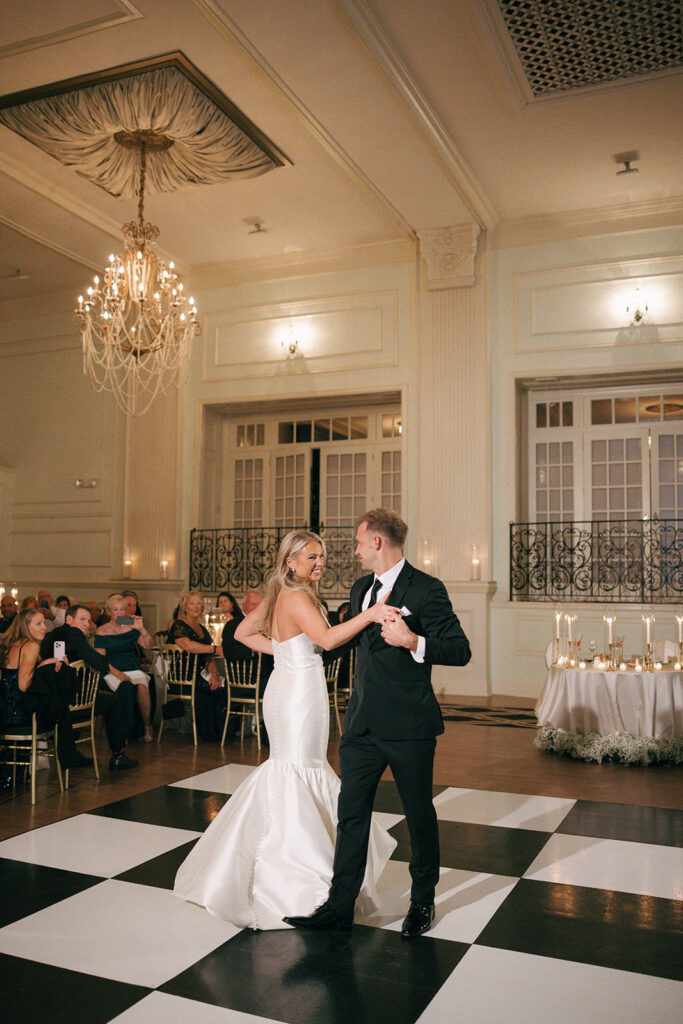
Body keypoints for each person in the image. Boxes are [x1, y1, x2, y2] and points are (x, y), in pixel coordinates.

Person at [173, 530, 398, 930]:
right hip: (300, 692)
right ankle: (301, 878)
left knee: (290, 766)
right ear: (290, 562)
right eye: (311, 557)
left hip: (284, 685)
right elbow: (327, 640)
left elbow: (241, 634)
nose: (319, 562)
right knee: (300, 767)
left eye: (321, 556)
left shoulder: (281, 595)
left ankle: (289, 864)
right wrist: (369, 614)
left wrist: (284, 651)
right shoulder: (295, 596)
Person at [285, 508, 471, 939]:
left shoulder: (426, 588)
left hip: (410, 727)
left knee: (419, 816)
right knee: (351, 817)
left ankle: (422, 901)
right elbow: (342, 644)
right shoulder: (359, 589)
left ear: (376, 543)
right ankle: (338, 906)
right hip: (361, 727)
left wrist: (412, 640)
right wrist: (290, 644)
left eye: (356, 542)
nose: (353, 551)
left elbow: (460, 649)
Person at [40, 605, 138, 771]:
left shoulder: (54, 636)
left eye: (88, 620)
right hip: (69, 704)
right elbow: (92, 658)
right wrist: (114, 671)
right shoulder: (74, 632)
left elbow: (59, 661)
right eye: (82, 619)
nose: (86, 623)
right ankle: (118, 755)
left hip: (50, 702)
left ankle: (73, 753)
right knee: (112, 701)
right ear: (69, 620)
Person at [0, 608, 91, 770]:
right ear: (25, 626)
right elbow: (23, 685)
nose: (44, 627)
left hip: (4, 710)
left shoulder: (14, 644)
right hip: (18, 715)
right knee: (57, 707)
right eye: (38, 623)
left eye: (44, 622)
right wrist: (43, 665)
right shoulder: (30, 646)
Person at [167, 591, 225, 742]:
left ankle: (222, 733)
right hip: (182, 677)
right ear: (184, 607)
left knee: (221, 687)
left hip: (199, 675)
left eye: (199, 603)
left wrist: (214, 674)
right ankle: (210, 734)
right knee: (207, 690)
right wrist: (214, 648)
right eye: (192, 603)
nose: (196, 607)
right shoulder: (178, 625)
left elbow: (209, 658)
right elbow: (188, 646)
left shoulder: (203, 629)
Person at [95, 594, 154, 741]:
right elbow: (100, 659)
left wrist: (142, 629)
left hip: (132, 667)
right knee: (123, 688)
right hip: (111, 670)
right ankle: (122, 730)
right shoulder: (101, 630)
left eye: (122, 609)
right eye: (116, 609)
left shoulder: (130, 625)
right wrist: (117, 673)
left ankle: (147, 726)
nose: (120, 613)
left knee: (141, 687)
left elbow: (148, 645)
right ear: (109, 612)